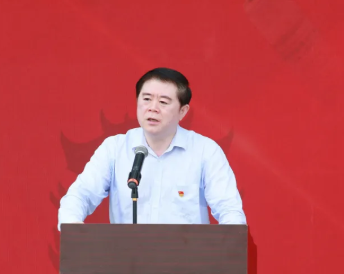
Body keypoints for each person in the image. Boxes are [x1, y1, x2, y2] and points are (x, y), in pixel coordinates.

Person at [58, 67, 246, 229]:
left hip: (188, 259)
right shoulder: (114, 149)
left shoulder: (206, 151)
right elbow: (80, 195)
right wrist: (73, 227)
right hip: (125, 258)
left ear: (182, 111)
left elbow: (229, 209)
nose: (153, 108)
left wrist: (229, 243)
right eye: (146, 99)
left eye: (163, 102)